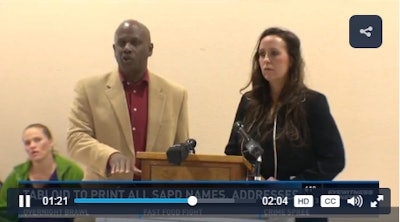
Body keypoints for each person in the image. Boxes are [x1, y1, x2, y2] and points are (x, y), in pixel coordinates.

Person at [225, 27, 345, 221]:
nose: (266, 60)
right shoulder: (249, 102)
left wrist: (292, 186)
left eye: (274, 53)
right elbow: (233, 152)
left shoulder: (312, 103)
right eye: (261, 54)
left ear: (292, 59)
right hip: (255, 207)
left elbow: (334, 159)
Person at [67, 19, 189, 181]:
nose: (127, 49)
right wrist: (110, 156)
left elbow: (182, 149)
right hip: (104, 196)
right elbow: (76, 139)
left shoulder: (176, 94)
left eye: (135, 43)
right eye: (121, 43)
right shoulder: (88, 89)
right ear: (114, 49)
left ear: (150, 49)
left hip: (155, 197)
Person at [0, 123, 83, 221]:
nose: (32, 146)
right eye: (27, 143)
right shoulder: (17, 176)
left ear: (51, 142)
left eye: (37, 140)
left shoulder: (71, 171)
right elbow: (4, 213)